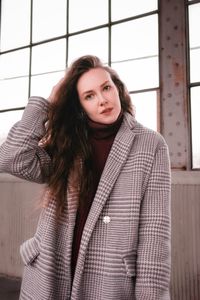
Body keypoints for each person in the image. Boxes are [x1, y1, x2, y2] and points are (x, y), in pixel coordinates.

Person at [0, 55, 171, 300]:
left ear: (117, 89)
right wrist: (48, 103)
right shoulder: (67, 142)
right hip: (50, 269)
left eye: (106, 88)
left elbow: (155, 231)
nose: (102, 100)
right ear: (79, 105)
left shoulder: (150, 144)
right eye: (89, 96)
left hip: (110, 278)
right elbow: (10, 158)